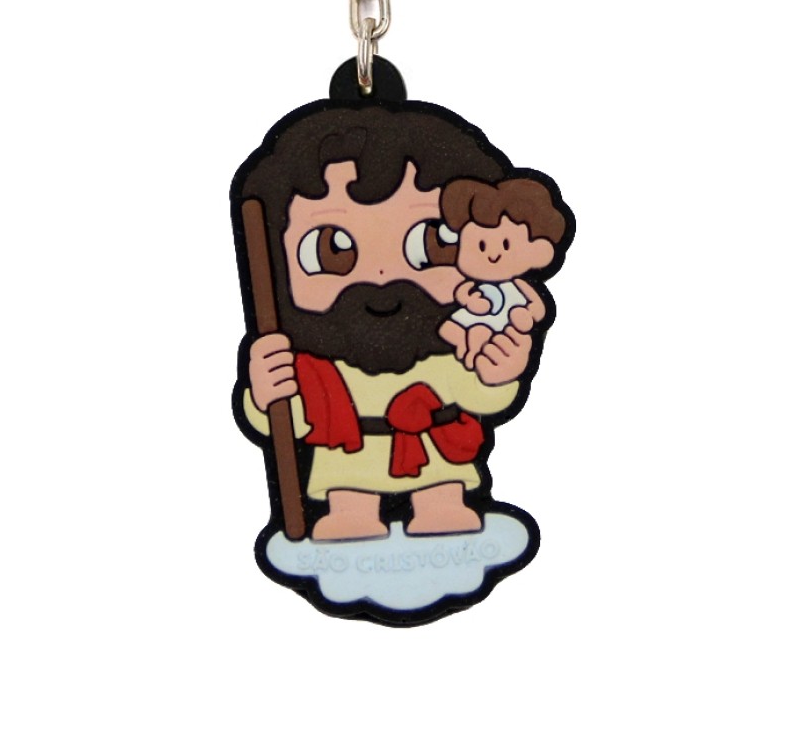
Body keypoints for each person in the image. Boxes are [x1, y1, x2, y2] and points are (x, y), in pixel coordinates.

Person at [234, 104, 570, 542]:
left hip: (438, 458)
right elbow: (289, 420)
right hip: (347, 465)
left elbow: (480, 395)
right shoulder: (315, 368)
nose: (381, 277)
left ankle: (442, 508)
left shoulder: (457, 340)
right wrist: (266, 393)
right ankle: (352, 515)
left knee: (445, 512)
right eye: (332, 251)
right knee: (348, 514)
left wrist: (499, 373)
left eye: (431, 243)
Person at [438, 178, 568, 367]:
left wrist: (530, 313)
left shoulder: (520, 286)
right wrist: (470, 301)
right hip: (472, 317)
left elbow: (538, 307)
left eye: (506, 245)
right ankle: (465, 346)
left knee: (483, 332)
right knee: (447, 329)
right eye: (481, 246)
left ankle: (473, 350)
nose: (493, 255)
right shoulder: (471, 283)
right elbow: (462, 293)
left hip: (501, 324)